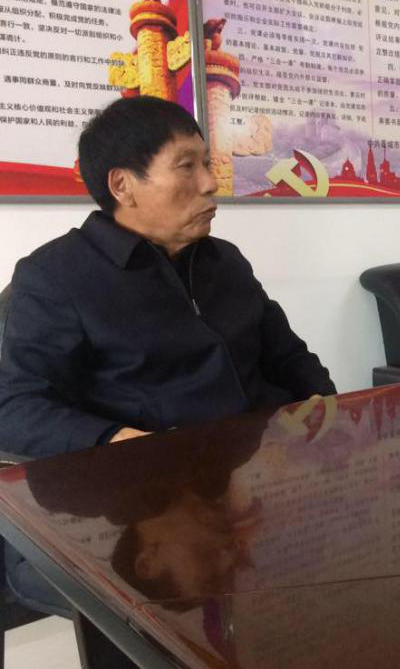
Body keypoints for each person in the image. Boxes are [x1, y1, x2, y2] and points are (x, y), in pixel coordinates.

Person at [0, 96, 336, 459]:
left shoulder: (225, 260)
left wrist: (326, 412)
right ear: (122, 185)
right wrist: (117, 440)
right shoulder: (56, 277)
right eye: (186, 166)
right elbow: (17, 408)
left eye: (206, 164)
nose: (210, 183)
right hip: (164, 475)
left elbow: (289, 357)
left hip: (267, 461)